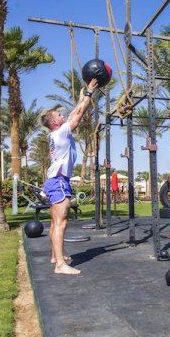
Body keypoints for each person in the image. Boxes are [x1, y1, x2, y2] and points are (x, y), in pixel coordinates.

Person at [41, 78, 98, 275]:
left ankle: (54, 256)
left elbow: (75, 111)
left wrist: (81, 99)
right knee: (61, 222)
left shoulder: (55, 134)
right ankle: (60, 265)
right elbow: (78, 114)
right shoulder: (61, 133)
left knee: (55, 221)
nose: (63, 115)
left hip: (55, 180)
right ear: (54, 122)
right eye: (59, 115)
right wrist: (89, 93)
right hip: (58, 181)